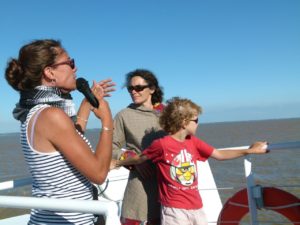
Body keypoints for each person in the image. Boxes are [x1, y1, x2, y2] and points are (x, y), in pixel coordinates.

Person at [5, 39, 114, 225]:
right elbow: (98, 173)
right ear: (49, 72)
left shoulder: (36, 112)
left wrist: (86, 104)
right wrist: (107, 121)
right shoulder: (51, 115)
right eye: (69, 63)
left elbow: (71, 139)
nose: (75, 69)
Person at [112, 97, 268, 225]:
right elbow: (140, 159)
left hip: (196, 207)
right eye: (196, 120)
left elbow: (219, 154)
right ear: (184, 122)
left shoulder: (193, 142)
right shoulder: (161, 145)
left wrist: (249, 150)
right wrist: (117, 163)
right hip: (173, 210)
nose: (198, 123)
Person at [112, 69, 166, 225]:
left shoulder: (167, 113)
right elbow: (110, 147)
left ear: (152, 89)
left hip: (169, 187)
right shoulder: (124, 115)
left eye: (139, 88)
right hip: (140, 186)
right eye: (130, 88)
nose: (133, 92)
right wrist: (135, 161)